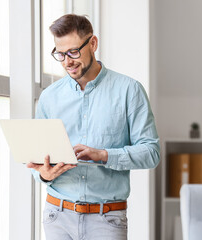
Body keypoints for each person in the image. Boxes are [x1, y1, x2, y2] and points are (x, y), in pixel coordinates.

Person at [27, 14, 160, 240]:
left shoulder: (129, 91)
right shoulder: (49, 97)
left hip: (106, 219)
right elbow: (37, 159)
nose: (67, 61)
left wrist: (104, 155)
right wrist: (44, 175)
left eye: (73, 52)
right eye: (60, 54)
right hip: (57, 215)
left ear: (93, 43)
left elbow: (151, 152)